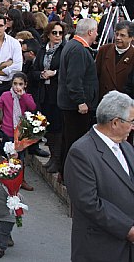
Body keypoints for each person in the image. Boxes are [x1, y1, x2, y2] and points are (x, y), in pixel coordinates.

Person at [64, 90, 134, 262]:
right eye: (131, 121)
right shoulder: (81, 152)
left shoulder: (126, 147)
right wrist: (127, 229)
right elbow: (88, 202)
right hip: (101, 248)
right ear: (116, 122)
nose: (133, 127)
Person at [58, 18, 99, 179]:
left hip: (70, 104)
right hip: (75, 106)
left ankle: (65, 173)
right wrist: (81, 101)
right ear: (90, 32)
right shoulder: (78, 50)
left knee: (68, 140)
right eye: (95, 31)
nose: (97, 34)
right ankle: (70, 176)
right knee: (74, 142)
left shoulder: (73, 46)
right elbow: (74, 79)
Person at [31, 21, 66, 173]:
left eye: (60, 33)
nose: (57, 36)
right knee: (48, 127)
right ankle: (53, 157)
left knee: (57, 127)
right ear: (48, 34)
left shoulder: (64, 50)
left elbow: (66, 70)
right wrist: (41, 74)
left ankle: (57, 159)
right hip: (44, 93)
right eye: (55, 33)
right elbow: (33, 70)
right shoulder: (42, 50)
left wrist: (55, 73)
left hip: (57, 93)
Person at [0, 72, 36, 191]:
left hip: (20, 132)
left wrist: (23, 96)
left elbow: (32, 107)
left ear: (25, 85)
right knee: (6, 155)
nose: (17, 87)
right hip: (7, 130)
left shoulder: (26, 97)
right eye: (15, 84)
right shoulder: (5, 95)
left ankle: (20, 180)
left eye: (20, 84)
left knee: (20, 157)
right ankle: (6, 178)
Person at [95, 21, 134, 99]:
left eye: (122, 35)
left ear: (131, 38)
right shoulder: (104, 50)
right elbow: (96, 75)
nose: (118, 38)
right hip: (103, 100)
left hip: (124, 103)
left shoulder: (132, 55)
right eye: (116, 34)